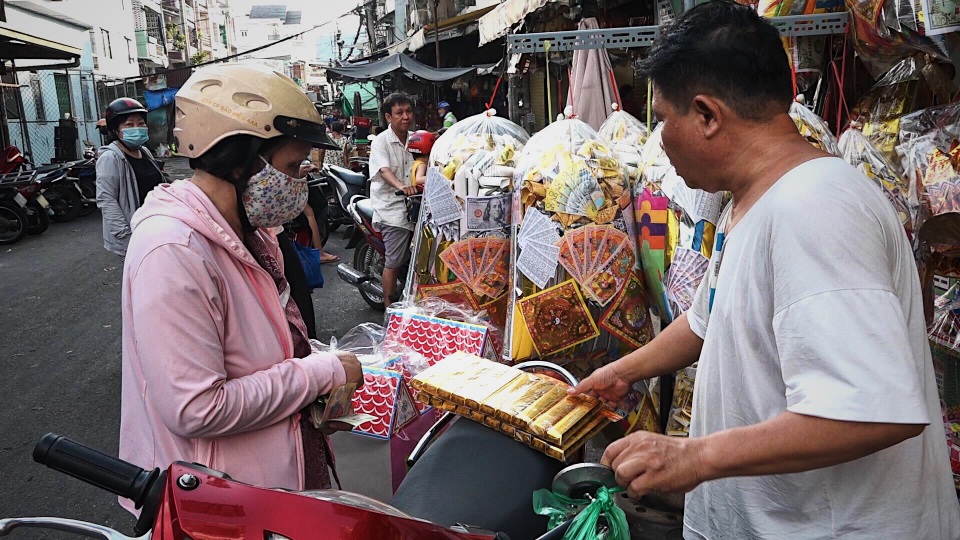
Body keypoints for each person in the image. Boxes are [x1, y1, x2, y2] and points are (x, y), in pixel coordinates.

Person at [570, 3, 960, 539]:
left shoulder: (815, 209)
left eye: (663, 118)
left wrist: (696, 456)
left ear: (707, 115)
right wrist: (622, 373)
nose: (658, 138)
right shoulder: (753, 201)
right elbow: (708, 319)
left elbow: (875, 410)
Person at [118, 64, 364, 513]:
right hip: (224, 503)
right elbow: (197, 408)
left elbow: (262, 349)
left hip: (272, 488)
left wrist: (314, 393)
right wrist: (321, 374)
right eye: (291, 167)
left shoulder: (252, 233)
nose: (299, 183)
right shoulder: (173, 250)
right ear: (237, 160)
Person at [95, 98, 165, 257]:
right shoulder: (111, 157)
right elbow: (106, 199)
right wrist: (127, 237)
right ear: (115, 130)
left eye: (141, 123)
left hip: (156, 230)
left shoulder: (144, 151)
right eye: (129, 125)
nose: (137, 128)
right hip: (136, 236)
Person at [369, 93, 417, 309]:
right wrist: (401, 186)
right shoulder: (381, 142)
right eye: (399, 113)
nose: (405, 116)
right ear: (389, 117)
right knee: (395, 261)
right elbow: (384, 170)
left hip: (416, 206)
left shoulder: (416, 138)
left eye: (408, 111)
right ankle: (388, 309)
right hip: (392, 208)